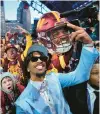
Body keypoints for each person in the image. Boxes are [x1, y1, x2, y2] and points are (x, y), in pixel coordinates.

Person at [15, 22, 99, 114]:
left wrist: (88, 45)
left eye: (43, 58)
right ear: (27, 68)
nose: (40, 60)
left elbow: (80, 76)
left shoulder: (55, 78)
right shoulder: (22, 104)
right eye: (34, 59)